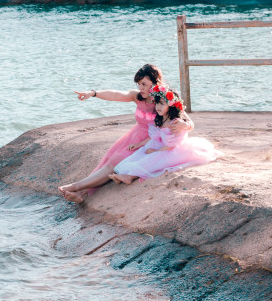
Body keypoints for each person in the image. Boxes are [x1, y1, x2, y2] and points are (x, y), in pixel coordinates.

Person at [59, 89, 219, 203]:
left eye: (162, 104)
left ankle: (128, 176)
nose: (158, 106)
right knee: (126, 162)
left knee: (148, 160)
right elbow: (154, 135)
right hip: (152, 143)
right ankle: (82, 188)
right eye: (157, 103)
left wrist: (185, 126)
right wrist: (142, 144)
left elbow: (176, 138)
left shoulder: (175, 122)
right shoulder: (157, 115)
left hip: (170, 150)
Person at [70, 64, 192, 200]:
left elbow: (189, 122)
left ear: (155, 82)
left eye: (144, 84)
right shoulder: (137, 96)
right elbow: (116, 95)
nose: (140, 88)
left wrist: (184, 125)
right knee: (109, 160)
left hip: (150, 140)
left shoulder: (164, 98)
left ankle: (78, 188)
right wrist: (93, 94)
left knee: (115, 163)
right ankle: (82, 192)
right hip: (133, 136)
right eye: (138, 84)